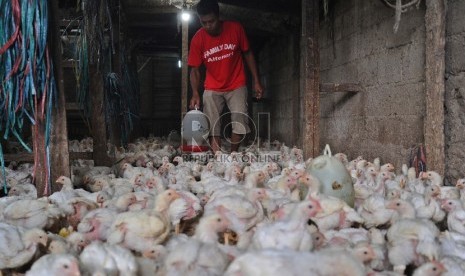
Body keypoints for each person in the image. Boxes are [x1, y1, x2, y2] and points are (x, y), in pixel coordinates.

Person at [188, 0, 264, 153]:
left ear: (218, 16)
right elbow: (195, 70)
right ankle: (217, 158)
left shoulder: (235, 28)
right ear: (199, 20)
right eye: (204, 22)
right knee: (212, 124)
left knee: (240, 121)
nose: (208, 25)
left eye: (212, 21)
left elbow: (247, 53)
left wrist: (256, 80)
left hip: (237, 83)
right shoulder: (198, 39)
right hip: (212, 86)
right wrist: (195, 93)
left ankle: (233, 154)